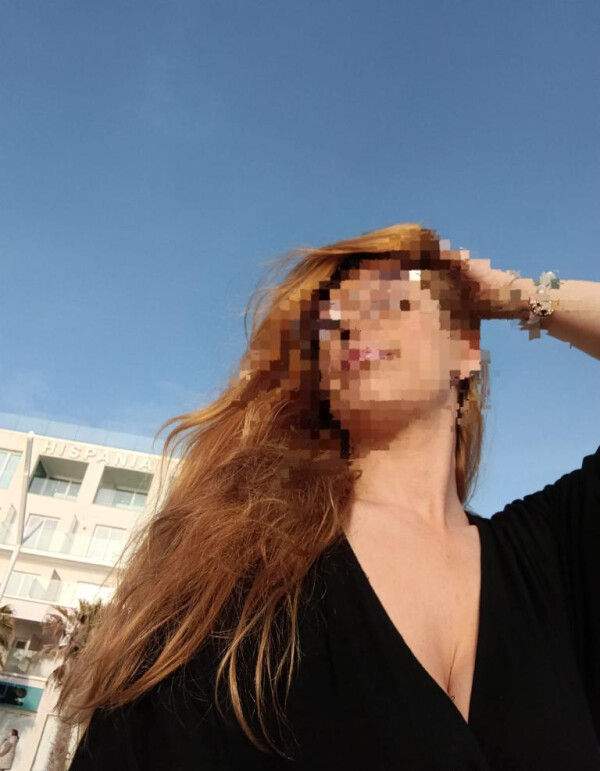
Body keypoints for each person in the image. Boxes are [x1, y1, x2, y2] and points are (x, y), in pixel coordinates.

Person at [64, 223, 600, 769]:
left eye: (389, 300)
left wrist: (515, 294)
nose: (347, 323)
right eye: (330, 321)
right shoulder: (242, 560)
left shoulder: (549, 557)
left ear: (465, 352)